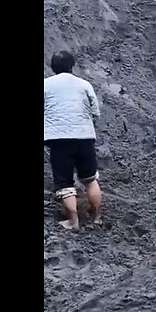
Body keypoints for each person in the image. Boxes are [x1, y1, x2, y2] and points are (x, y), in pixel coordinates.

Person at [44, 50, 103, 230]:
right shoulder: (84, 85)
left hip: (59, 139)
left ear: (52, 67)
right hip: (84, 137)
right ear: (72, 66)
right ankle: (96, 218)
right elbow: (96, 113)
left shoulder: (45, 85)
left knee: (64, 182)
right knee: (90, 179)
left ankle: (73, 222)